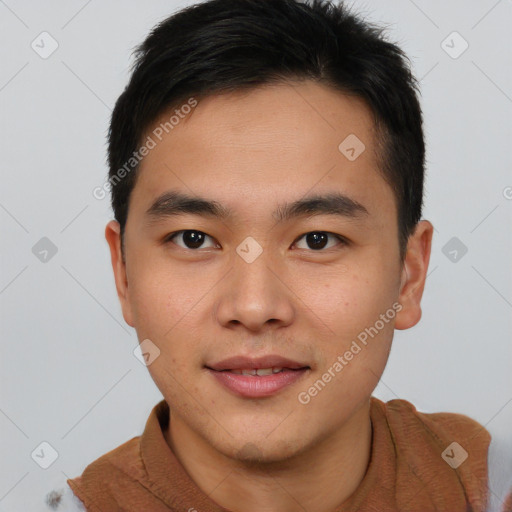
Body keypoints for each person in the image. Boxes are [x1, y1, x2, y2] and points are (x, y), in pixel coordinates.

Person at [50, 0, 503, 510]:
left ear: (409, 275)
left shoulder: (488, 488)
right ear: (124, 273)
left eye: (317, 240)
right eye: (194, 239)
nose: (253, 306)